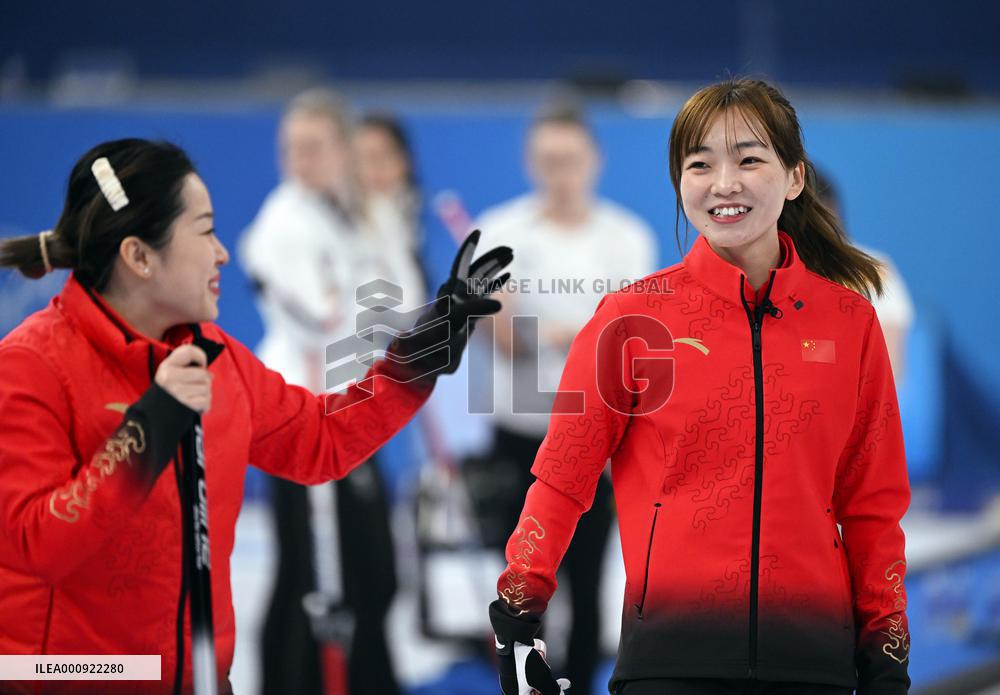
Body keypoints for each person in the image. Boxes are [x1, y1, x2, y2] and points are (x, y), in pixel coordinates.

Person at [0, 137, 510, 695]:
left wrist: (420, 355)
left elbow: (320, 439)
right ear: (139, 257)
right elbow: (38, 545)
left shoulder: (213, 355)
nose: (222, 253)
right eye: (204, 231)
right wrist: (146, 432)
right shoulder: (32, 365)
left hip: (195, 677)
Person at [488, 78, 910, 695]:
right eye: (700, 163)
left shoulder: (849, 322)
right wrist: (517, 619)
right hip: (669, 660)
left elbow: (872, 507)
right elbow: (562, 478)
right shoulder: (631, 320)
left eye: (749, 159)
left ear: (794, 178)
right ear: (681, 183)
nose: (724, 183)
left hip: (814, 661)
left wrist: (887, 654)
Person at [239, 91, 421, 695]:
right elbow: (321, 317)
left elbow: (407, 306)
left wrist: (384, 221)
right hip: (297, 418)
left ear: (343, 150)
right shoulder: (283, 221)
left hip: (356, 415)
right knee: (306, 575)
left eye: (314, 146)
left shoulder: (360, 213)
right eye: (290, 147)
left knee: (373, 571)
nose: (300, 159)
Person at [475, 105, 657, 695]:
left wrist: (558, 332)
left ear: (594, 161)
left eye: (571, 160)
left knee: (586, 581)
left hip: (595, 444)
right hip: (521, 438)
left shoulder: (627, 238)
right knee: (523, 585)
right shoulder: (499, 232)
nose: (561, 172)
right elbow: (501, 340)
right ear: (532, 162)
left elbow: (631, 346)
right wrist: (533, 328)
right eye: (549, 160)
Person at [813, 168, 914, 387]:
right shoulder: (765, 272)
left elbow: (887, 365)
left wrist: (813, 349)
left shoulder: (873, 270)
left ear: (831, 210)